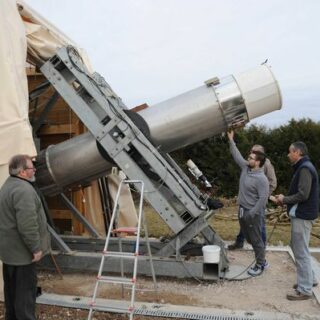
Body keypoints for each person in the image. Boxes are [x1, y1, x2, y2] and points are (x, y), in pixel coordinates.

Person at [0, 154, 51, 320]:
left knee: (12, 293)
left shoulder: (7, 185)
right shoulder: (24, 190)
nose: (34, 170)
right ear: (22, 172)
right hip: (23, 255)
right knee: (25, 296)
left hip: (9, 253)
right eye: (31, 168)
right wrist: (36, 248)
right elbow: (27, 225)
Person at [271, 142, 319, 300]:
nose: (288, 154)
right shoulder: (304, 166)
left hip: (302, 215)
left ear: (297, 152)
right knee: (300, 248)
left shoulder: (304, 168)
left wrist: (284, 199)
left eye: (289, 152)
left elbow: (303, 194)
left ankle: (304, 290)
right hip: (304, 214)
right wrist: (286, 199)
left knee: (300, 251)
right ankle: (310, 280)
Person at [227, 130, 269, 276]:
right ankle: (262, 259)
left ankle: (260, 265)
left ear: (257, 162)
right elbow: (236, 155)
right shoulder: (246, 167)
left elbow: (263, 199)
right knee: (249, 239)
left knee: (256, 239)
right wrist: (231, 140)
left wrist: (252, 213)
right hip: (242, 210)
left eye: (251, 158)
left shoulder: (261, 179)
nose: (248, 158)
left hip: (253, 213)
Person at [228, 143, 277, 250]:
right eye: (251, 151)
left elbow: (273, 182)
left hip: (258, 204)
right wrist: (231, 141)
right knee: (244, 223)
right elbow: (238, 157)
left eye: (253, 151)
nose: (251, 153)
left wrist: (263, 197)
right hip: (246, 203)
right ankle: (240, 242)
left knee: (260, 227)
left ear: (260, 155)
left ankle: (261, 248)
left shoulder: (267, 164)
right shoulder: (248, 165)